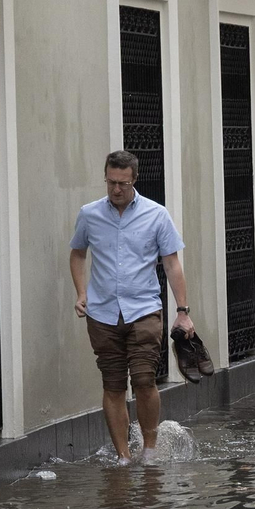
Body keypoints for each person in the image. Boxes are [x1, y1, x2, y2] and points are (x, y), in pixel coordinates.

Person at [69, 150, 193, 465]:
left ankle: (149, 450)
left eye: (123, 183)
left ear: (134, 180)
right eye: (111, 182)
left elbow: (171, 263)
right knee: (112, 384)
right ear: (106, 178)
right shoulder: (89, 214)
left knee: (143, 379)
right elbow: (78, 253)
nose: (116, 189)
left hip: (144, 310)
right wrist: (81, 292)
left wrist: (183, 311)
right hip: (102, 313)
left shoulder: (156, 214)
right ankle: (123, 455)